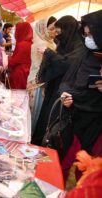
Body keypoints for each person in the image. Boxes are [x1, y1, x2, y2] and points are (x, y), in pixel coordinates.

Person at [32, 16, 87, 149]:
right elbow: (60, 61)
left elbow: (66, 63)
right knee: (45, 116)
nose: (57, 35)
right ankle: (38, 145)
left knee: (52, 119)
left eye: (58, 32)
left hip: (63, 91)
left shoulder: (79, 47)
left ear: (67, 30)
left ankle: (47, 147)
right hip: (54, 86)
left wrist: (49, 53)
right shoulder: (65, 43)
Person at [60, 10, 102, 153]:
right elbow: (69, 79)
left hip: (95, 123)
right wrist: (65, 94)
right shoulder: (85, 53)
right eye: (85, 34)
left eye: (91, 35)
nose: (87, 39)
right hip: (74, 115)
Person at [27, 16, 57, 132]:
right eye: (52, 28)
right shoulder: (43, 45)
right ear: (43, 28)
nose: (54, 31)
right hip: (39, 83)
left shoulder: (50, 43)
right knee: (35, 110)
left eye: (56, 28)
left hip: (36, 80)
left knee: (34, 110)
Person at [7, 22, 33, 89]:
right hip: (28, 73)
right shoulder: (31, 43)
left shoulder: (22, 44)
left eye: (16, 30)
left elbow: (13, 62)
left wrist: (7, 58)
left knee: (17, 96)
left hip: (20, 74)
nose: (15, 32)